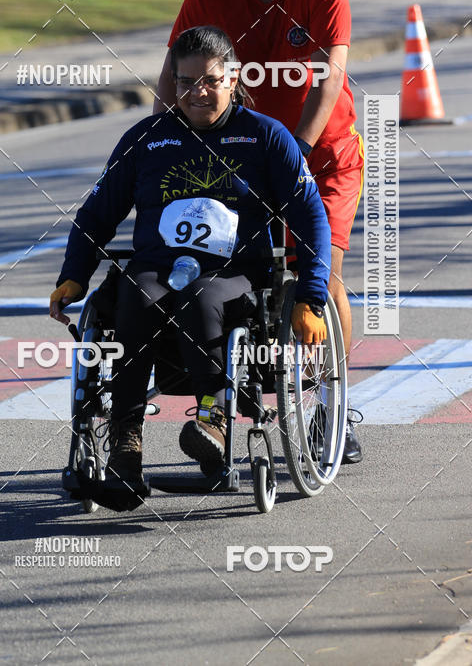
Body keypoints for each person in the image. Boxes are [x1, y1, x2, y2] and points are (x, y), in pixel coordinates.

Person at [50, 26, 331, 484]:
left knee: (202, 294)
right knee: (137, 294)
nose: (197, 92)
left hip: (234, 272)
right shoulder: (147, 139)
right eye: (184, 82)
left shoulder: (266, 137)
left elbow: (310, 217)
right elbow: (97, 213)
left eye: (210, 81)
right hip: (156, 268)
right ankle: (125, 440)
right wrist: (74, 275)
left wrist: (311, 296)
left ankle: (213, 419)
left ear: (233, 79)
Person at [154, 0, 364, 464]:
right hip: (242, 160)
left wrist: (296, 150)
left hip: (319, 158)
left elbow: (330, 77)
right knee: (230, 270)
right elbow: (173, 77)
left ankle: (331, 409)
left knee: (320, 273)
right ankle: (222, 399)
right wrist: (163, 146)